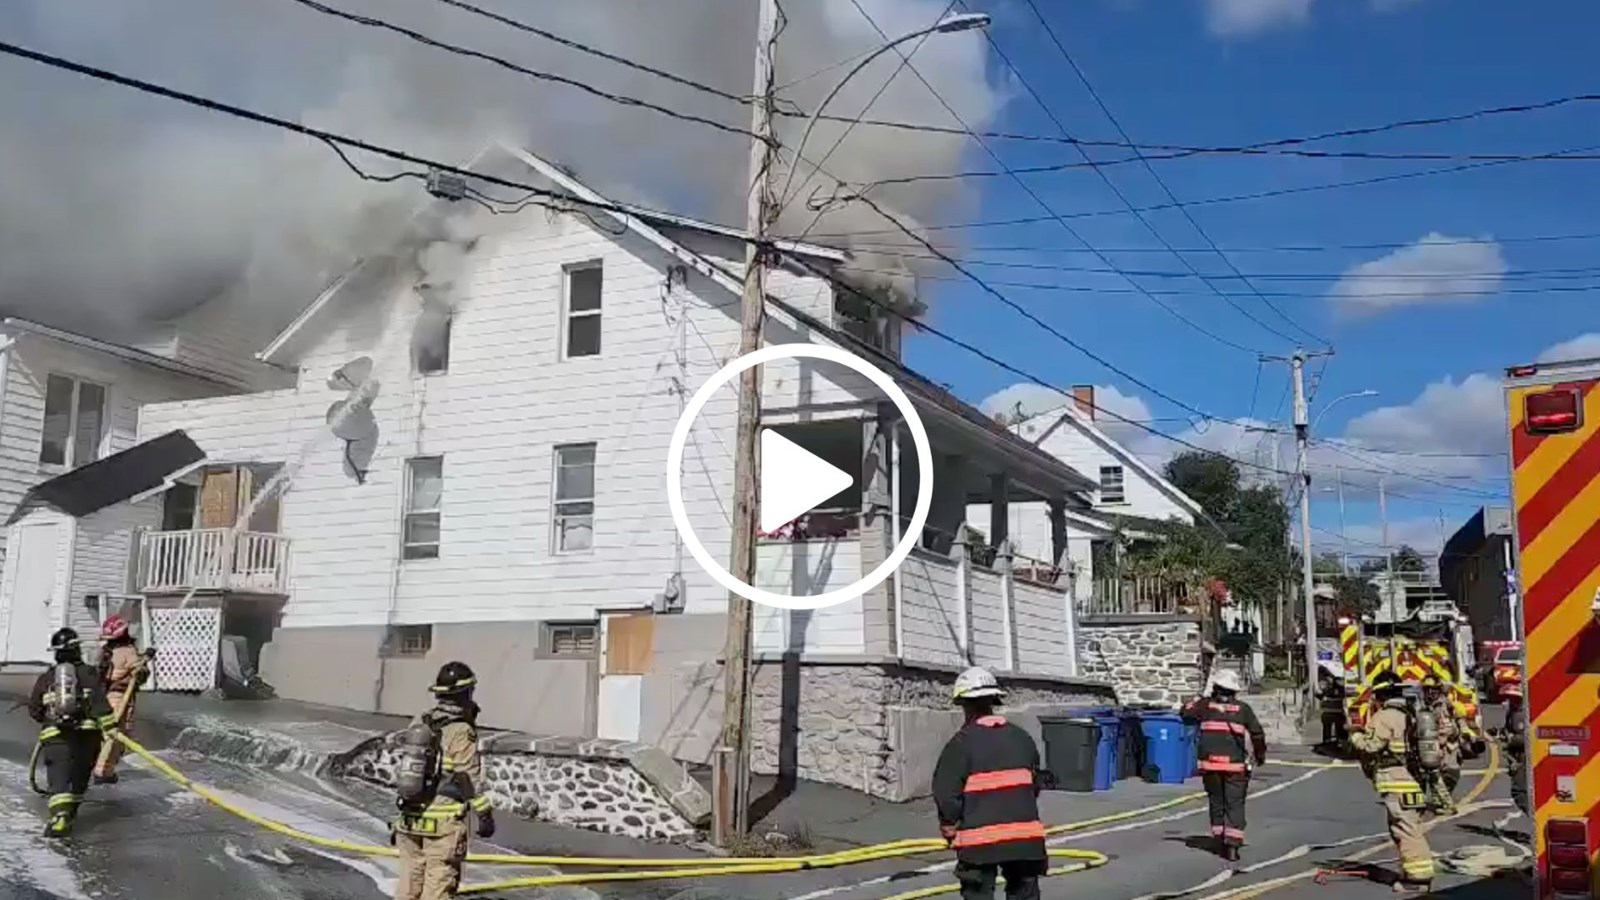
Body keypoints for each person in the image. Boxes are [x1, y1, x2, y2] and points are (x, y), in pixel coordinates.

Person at [932, 666, 1047, 900]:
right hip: (1024, 840)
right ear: (994, 700)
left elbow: (946, 791)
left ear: (964, 704)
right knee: (1025, 894)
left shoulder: (961, 743)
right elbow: (1034, 785)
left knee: (978, 894)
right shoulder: (1021, 737)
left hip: (979, 843)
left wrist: (949, 823)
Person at [393, 661, 495, 900]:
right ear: (466, 692)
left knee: (409, 881)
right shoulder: (461, 730)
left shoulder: (420, 721)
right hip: (442, 821)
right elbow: (467, 777)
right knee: (439, 883)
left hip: (409, 816)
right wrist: (484, 814)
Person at [1349, 674, 1434, 893]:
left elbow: (1371, 746)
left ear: (1381, 694)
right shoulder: (1412, 713)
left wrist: (1355, 735)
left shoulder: (1384, 716)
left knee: (1405, 829)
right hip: (1413, 780)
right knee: (1408, 827)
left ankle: (1418, 879)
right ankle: (1414, 872)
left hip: (1397, 781)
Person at [27, 627, 116, 837]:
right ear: (77, 649)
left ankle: (59, 818)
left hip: (55, 736)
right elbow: (100, 705)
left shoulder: (47, 677)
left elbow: (34, 709)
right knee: (79, 776)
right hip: (86, 737)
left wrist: (49, 721)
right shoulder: (88, 673)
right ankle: (70, 814)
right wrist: (110, 728)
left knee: (58, 777)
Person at [1181, 669, 1267, 861]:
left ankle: (1219, 840)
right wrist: (1260, 755)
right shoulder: (1243, 709)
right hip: (1235, 768)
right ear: (1234, 691)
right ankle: (1232, 846)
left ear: (1216, 687)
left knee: (1217, 802)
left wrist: (1201, 697)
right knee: (1234, 804)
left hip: (1210, 766)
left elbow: (1184, 712)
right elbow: (1257, 733)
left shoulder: (1204, 706)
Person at [91, 615, 152, 785]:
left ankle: (95, 765)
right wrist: (145, 660)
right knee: (116, 735)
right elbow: (139, 675)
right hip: (119, 699)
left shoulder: (104, 651)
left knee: (103, 733)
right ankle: (103, 772)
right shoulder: (128, 652)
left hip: (102, 697)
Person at [1422, 681, 1461, 814]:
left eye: (1433, 689)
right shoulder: (1422, 705)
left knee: (1452, 773)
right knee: (1434, 774)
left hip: (1449, 744)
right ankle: (1441, 803)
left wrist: (1464, 731)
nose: (1430, 692)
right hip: (1432, 743)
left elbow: (1457, 719)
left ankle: (1442, 800)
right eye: (1427, 689)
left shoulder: (1447, 705)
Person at [1501, 683, 1528, 818]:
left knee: (1519, 791)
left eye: (1512, 698)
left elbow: (1526, 738)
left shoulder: (1521, 714)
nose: (1509, 701)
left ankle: (1534, 816)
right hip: (1516, 757)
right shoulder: (1512, 713)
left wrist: (1511, 740)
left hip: (1524, 757)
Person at [1318, 668, 1348, 748]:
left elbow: (1321, 695)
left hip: (1333, 713)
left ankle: (1333, 742)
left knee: (1335, 729)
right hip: (1333, 713)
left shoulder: (1334, 688)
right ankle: (1333, 742)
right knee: (1334, 729)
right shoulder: (1339, 688)